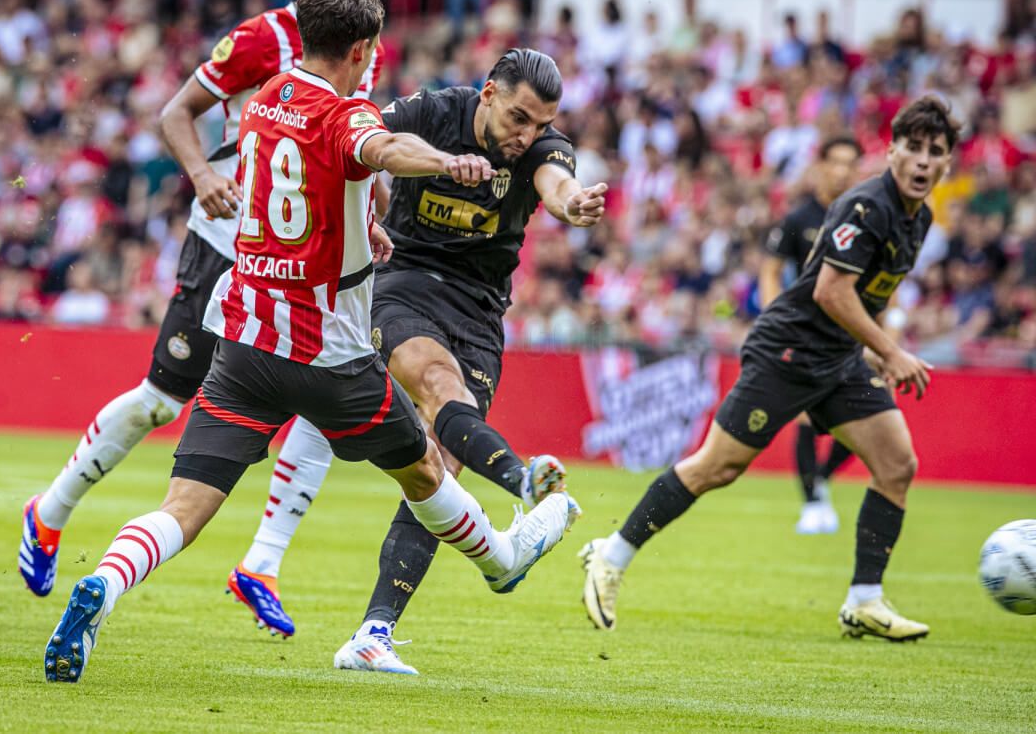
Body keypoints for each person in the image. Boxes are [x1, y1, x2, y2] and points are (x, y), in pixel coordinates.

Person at [42, 0, 579, 684]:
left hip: (243, 345)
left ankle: (102, 587)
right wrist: (448, 161)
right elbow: (379, 150)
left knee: (184, 506)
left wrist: (368, 228)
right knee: (425, 464)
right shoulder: (347, 113)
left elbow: (307, 193)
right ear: (360, 50)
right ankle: (503, 560)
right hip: (327, 353)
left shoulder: (263, 104)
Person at [18, 0, 384, 598]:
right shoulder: (258, 41)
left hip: (299, 268)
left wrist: (372, 219)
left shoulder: (364, 48)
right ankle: (50, 511)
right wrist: (199, 174)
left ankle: (262, 562)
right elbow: (176, 111)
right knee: (163, 402)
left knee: (328, 388)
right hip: (224, 244)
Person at [226, 48, 608, 674]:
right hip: (402, 283)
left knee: (439, 470)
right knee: (435, 383)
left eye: (540, 124)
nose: (526, 135)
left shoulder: (542, 148)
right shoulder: (434, 111)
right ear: (487, 94)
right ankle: (522, 480)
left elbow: (557, 186)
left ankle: (374, 633)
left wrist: (571, 205)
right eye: (517, 118)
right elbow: (377, 141)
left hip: (480, 311)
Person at [579, 97, 959, 642]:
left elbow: (870, 295)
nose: (924, 161)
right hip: (790, 349)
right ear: (892, 150)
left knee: (897, 463)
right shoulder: (867, 207)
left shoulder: (916, 217)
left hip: (838, 356)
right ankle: (610, 555)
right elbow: (830, 290)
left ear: (949, 162)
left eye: (937, 152)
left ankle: (864, 600)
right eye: (914, 148)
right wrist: (891, 351)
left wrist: (875, 348)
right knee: (717, 467)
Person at [759, 136, 862, 534]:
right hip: (804, 331)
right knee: (803, 414)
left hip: (852, 331)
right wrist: (774, 317)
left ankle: (820, 479)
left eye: (849, 163)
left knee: (863, 418)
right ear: (820, 166)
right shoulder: (799, 218)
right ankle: (812, 503)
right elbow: (770, 268)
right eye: (835, 162)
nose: (842, 170)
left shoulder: (864, 217)